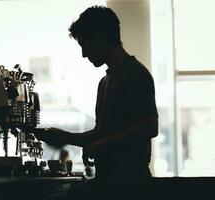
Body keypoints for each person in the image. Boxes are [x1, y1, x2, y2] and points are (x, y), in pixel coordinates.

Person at [24, 5, 158, 198]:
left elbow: (149, 127)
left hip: (131, 185)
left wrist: (101, 145)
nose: (84, 54)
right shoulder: (105, 81)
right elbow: (101, 133)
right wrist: (67, 137)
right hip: (111, 182)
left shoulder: (135, 73)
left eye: (85, 44)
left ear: (101, 37)